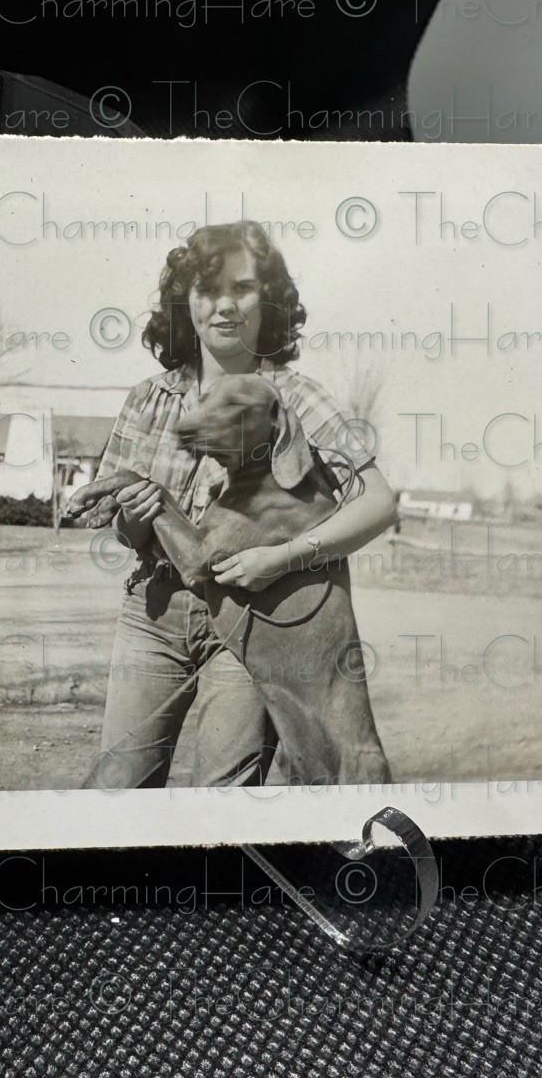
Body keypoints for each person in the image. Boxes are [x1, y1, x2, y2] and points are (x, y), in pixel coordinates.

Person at [85, 221, 398, 790]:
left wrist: (286, 558)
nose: (224, 306)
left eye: (243, 288)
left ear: (268, 300)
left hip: (254, 620)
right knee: (119, 786)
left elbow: (378, 505)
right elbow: (126, 535)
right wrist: (134, 516)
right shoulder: (149, 397)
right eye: (207, 291)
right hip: (154, 615)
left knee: (223, 795)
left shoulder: (293, 395)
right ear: (187, 304)